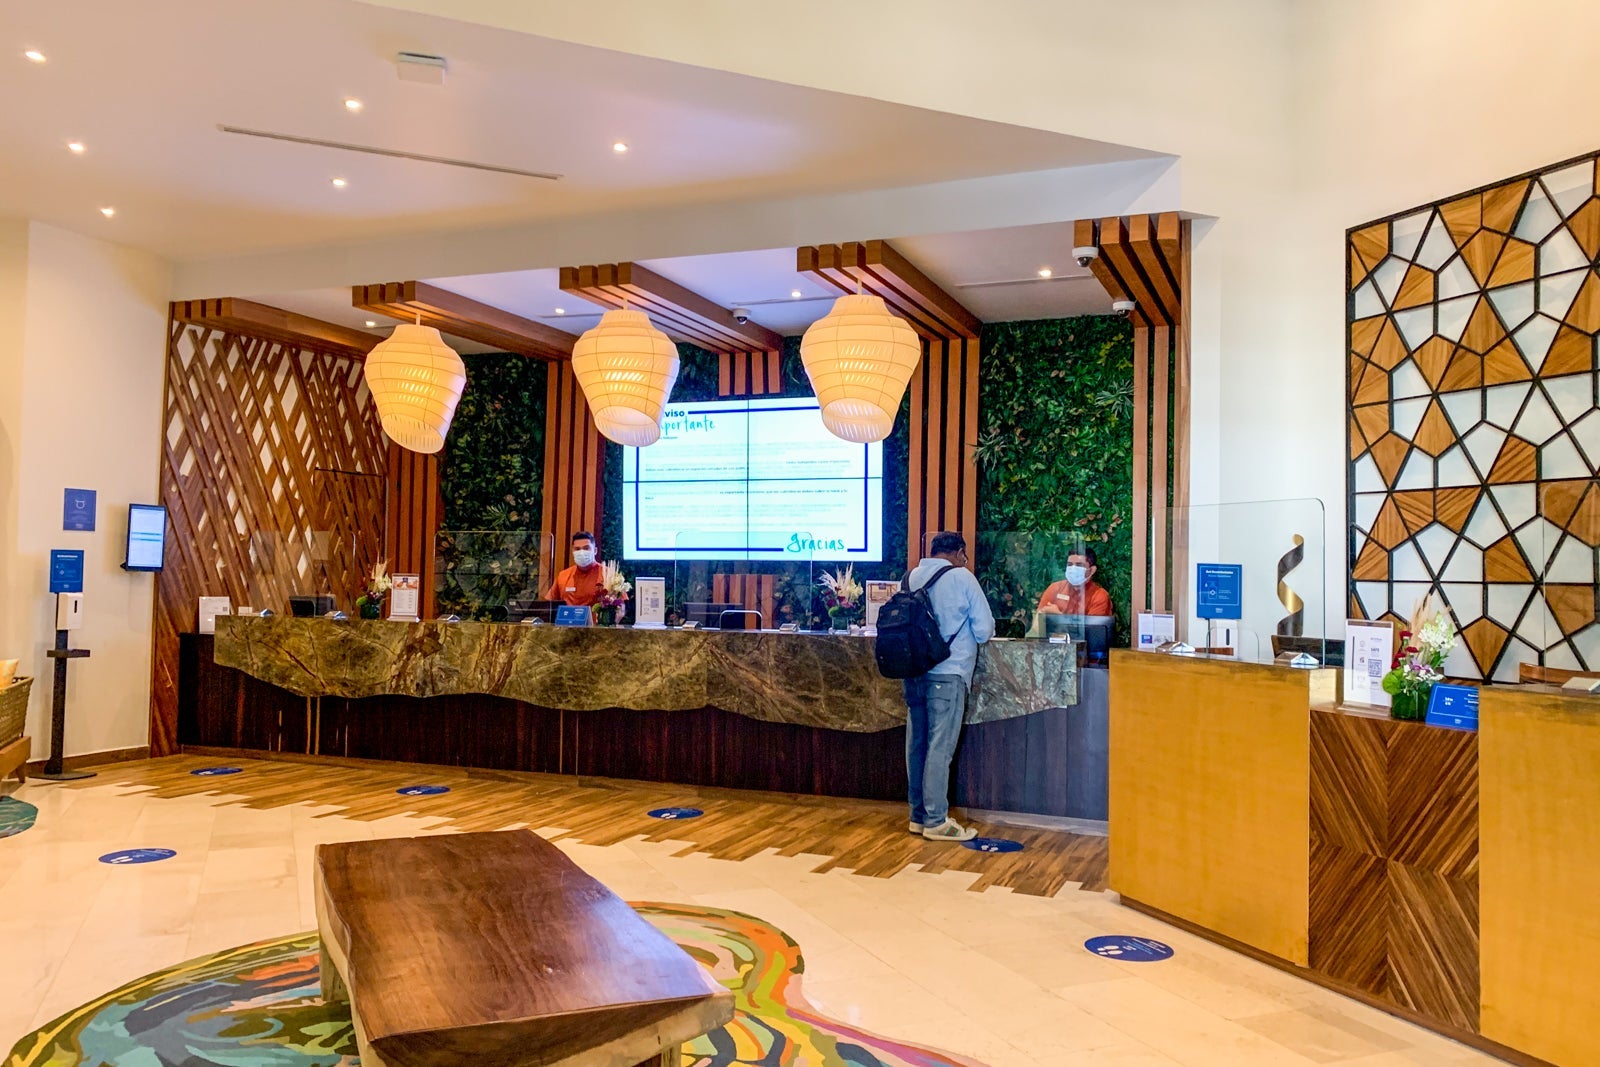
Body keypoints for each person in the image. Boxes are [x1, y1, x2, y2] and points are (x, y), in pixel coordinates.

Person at [902, 531, 996, 842]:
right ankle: (936, 821)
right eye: (963, 556)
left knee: (917, 745)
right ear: (958, 553)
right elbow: (984, 630)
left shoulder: (911, 577)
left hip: (914, 673)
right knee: (939, 749)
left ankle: (918, 816)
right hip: (949, 673)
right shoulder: (962, 578)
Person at [1036, 546, 1113, 617]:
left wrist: (1058, 616)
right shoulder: (1055, 588)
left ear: (1092, 570)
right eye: (1069, 564)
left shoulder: (1099, 596)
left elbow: (1093, 627)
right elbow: (1038, 619)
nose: (1073, 569)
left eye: (1079, 565)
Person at [546, 531, 606, 606]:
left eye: (586, 548)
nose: (581, 552)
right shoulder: (563, 576)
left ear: (595, 551)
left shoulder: (607, 574)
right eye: (577, 549)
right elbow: (547, 605)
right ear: (572, 551)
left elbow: (618, 605)